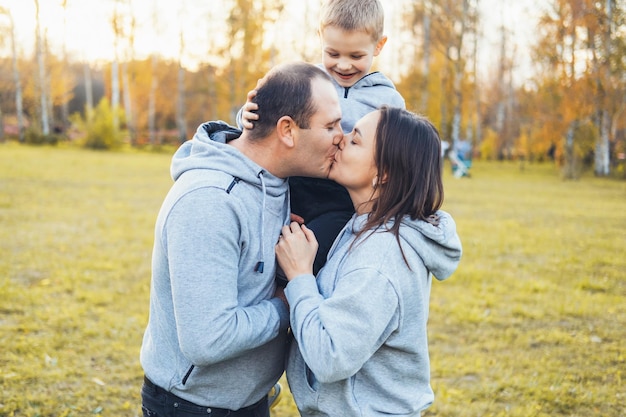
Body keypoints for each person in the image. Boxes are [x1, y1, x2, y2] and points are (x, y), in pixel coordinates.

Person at [139, 62, 343, 417]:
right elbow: (208, 339)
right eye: (331, 126)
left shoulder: (277, 180)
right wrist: (289, 302)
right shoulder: (208, 202)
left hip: (250, 401)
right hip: (193, 407)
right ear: (288, 131)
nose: (341, 135)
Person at [275, 107, 463, 417]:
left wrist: (299, 276)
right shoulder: (365, 226)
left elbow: (330, 357)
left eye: (355, 140)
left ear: (383, 173)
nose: (340, 140)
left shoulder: (380, 256)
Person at [240, 0, 405, 276]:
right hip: (293, 183)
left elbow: (398, 153)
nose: (343, 65)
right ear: (320, 38)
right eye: (333, 53)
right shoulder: (304, 82)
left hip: (339, 196)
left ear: (378, 46)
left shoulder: (388, 100)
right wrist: (247, 114)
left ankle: (297, 294)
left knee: (313, 251)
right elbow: (267, 120)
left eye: (356, 56)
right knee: (270, 245)